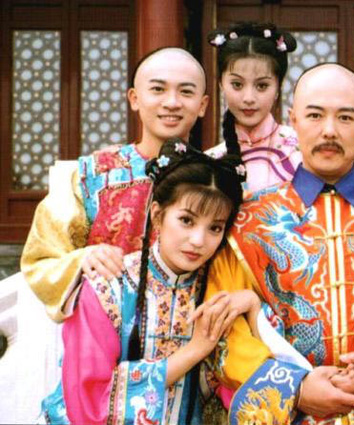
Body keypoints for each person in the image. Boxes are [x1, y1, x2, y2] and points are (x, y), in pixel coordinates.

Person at [205, 63, 354, 424]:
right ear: (293, 120)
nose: (330, 130)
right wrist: (297, 388)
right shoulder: (245, 222)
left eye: (345, 117)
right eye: (315, 115)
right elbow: (225, 328)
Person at [41, 139, 258, 424]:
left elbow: (249, 390)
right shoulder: (108, 288)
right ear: (157, 215)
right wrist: (194, 351)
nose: (198, 240)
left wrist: (253, 304)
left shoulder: (217, 291)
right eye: (187, 220)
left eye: (215, 228)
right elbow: (89, 401)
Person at [20, 47, 209, 321]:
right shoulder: (91, 176)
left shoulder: (214, 180)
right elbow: (41, 261)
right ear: (134, 98)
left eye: (186, 92)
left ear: (202, 105)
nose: (172, 102)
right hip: (103, 333)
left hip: (190, 330)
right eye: (158, 89)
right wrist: (84, 259)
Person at [206, 22, 302, 192]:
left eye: (262, 86)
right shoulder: (209, 162)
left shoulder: (303, 151)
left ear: (278, 88)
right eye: (237, 84)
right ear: (221, 84)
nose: (249, 98)